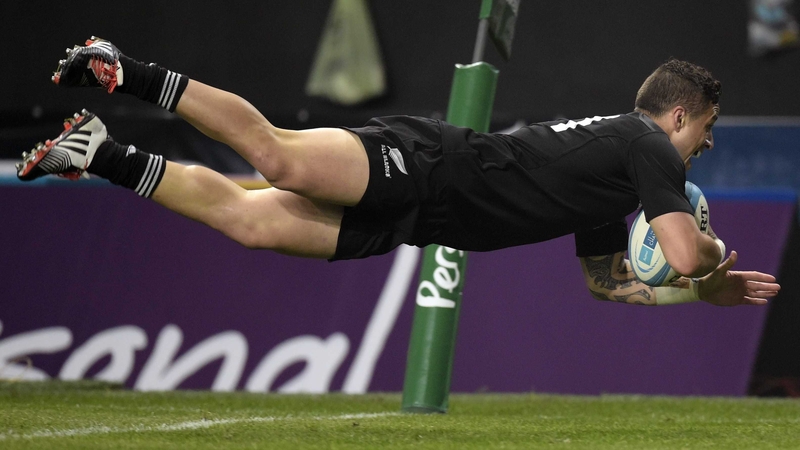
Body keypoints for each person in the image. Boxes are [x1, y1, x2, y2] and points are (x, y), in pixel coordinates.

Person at [16, 36, 780, 307]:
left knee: (250, 225)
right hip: (427, 166)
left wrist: (690, 286)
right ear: (679, 116)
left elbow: (607, 282)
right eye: (707, 128)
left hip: (423, 219)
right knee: (277, 156)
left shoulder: (619, 171)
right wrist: (709, 264)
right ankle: (125, 68)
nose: (708, 144)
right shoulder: (649, 147)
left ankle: (97, 153)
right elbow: (684, 253)